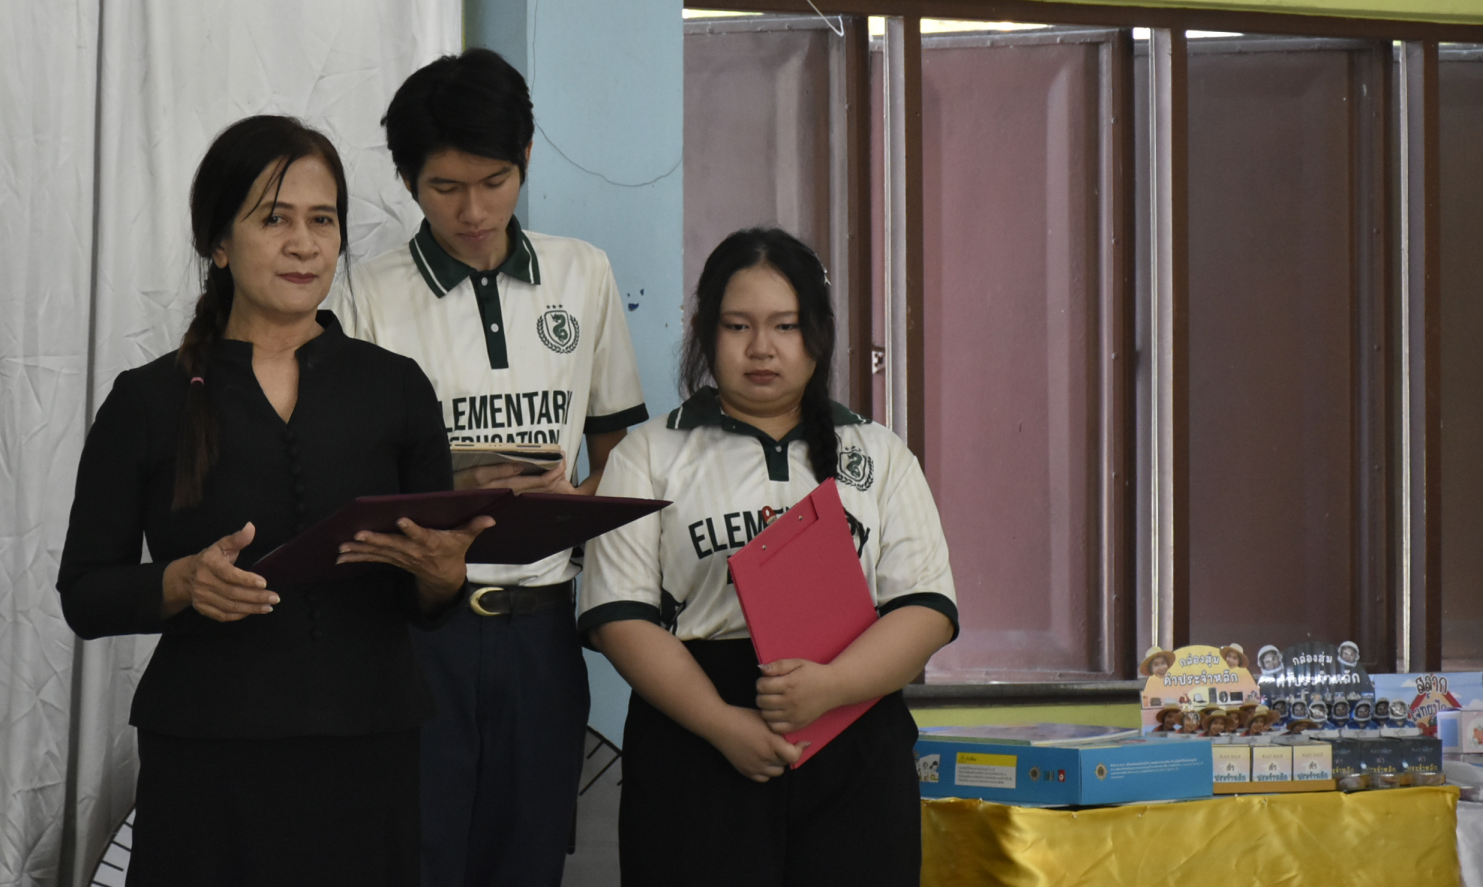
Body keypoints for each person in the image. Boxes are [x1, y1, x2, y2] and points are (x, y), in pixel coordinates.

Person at [57, 116, 491, 886]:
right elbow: (84, 593)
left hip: (370, 747)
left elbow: (424, 602)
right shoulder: (147, 400)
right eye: (274, 219)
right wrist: (180, 582)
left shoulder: (395, 387)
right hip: (207, 754)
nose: (304, 244)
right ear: (219, 243)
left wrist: (442, 574)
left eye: (322, 221)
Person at [334, 48, 648, 887]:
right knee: (414, 856)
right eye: (444, 187)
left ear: (526, 157)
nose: (473, 211)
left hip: (541, 630)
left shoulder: (582, 274)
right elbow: (345, 484)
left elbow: (619, 451)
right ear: (407, 180)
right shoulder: (365, 294)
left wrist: (573, 509)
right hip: (414, 633)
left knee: (528, 858)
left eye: (494, 181)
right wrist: (446, 482)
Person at [578, 228, 957, 887]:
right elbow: (619, 617)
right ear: (704, 331)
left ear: (819, 332)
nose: (761, 348)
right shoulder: (649, 454)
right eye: (737, 326)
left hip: (854, 730)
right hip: (696, 737)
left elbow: (925, 610)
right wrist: (722, 725)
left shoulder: (880, 453)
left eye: (785, 325)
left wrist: (832, 687)